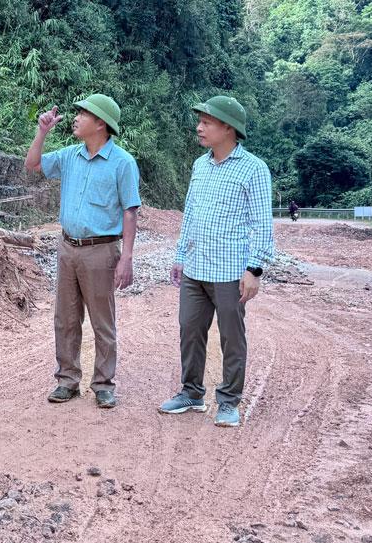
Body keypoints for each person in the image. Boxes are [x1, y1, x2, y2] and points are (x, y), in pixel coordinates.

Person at [161, 95, 274, 428]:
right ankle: (191, 393)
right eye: (200, 121)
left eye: (207, 122)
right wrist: (180, 255)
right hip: (196, 268)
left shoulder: (253, 169)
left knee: (231, 337)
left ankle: (228, 401)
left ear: (228, 127)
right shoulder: (200, 165)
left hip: (230, 271)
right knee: (190, 330)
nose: (199, 127)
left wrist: (254, 269)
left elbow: (262, 224)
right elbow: (191, 214)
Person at [26, 94, 141, 409]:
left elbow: (130, 212)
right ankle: (67, 381)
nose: (75, 118)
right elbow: (33, 164)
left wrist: (126, 258)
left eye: (83, 113)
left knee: (102, 321)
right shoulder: (69, 156)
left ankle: (103, 384)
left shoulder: (122, 163)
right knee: (65, 318)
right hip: (67, 247)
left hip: (101, 251)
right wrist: (42, 132)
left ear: (101, 123)